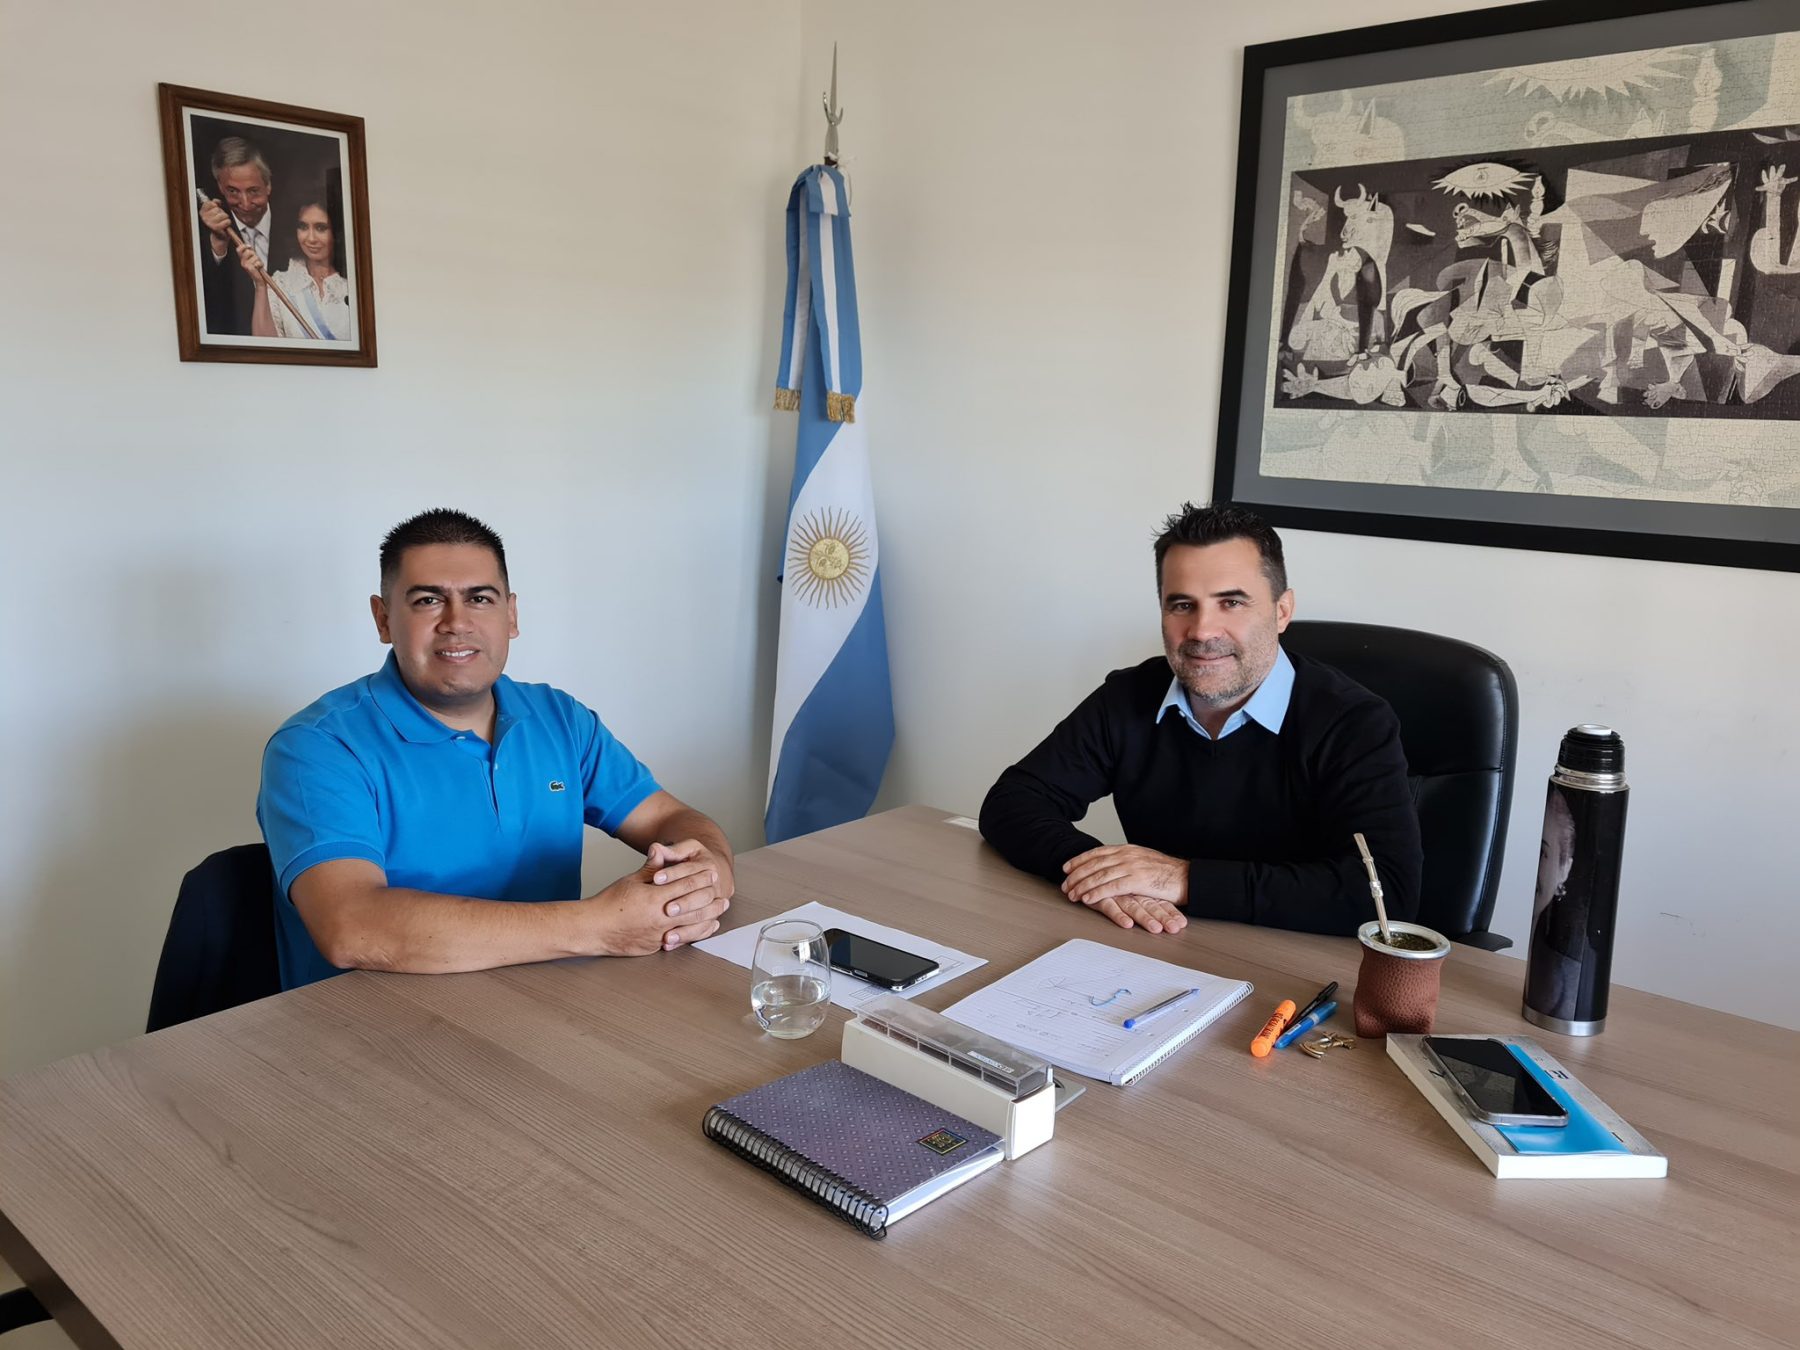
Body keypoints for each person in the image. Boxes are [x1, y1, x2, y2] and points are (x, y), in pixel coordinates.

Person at [257, 509, 735, 989]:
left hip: (547, 1000)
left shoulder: (559, 718)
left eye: (479, 598)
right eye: (427, 600)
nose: (457, 623)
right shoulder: (316, 747)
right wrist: (601, 926)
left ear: (511, 615)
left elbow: (670, 820)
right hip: (369, 1031)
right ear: (384, 619)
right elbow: (353, 927)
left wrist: (707, 871)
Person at [979, 502, 1421, 937]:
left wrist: (1185, 879)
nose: (1203, 631)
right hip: (1159, 944)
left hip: (1295, 966)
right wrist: (1102, 873)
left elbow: (1387, 892)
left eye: (1231, 602)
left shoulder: (1354, 722)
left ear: (1282, 611)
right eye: (1182, 605)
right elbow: (1012, 802)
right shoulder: (1129, 696)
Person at [197, 136, 290, 336]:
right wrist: (218, 245)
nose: (245, 204)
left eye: (253, 191)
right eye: (233, 191)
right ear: (220, 187)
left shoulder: (299, 225)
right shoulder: (203, 230)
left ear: (268, 186)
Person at [236, 188, 353, 341]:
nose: (310, 238)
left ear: (337, 232)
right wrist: (260, 286)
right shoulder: (280, 284)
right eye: (303, 227)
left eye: (321, 228)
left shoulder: (352, 285)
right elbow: (266, 348)